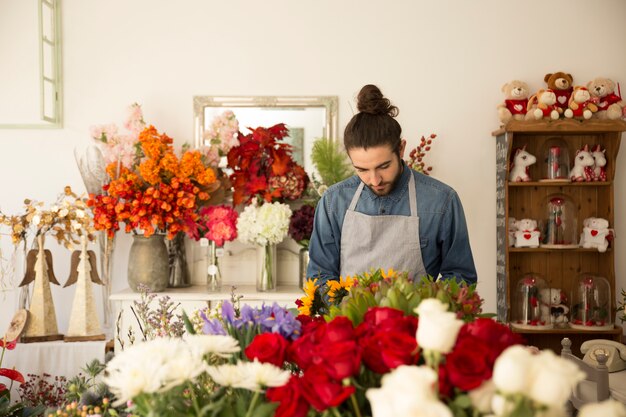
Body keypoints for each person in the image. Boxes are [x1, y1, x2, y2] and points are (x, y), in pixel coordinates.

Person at [306, 84, 477, 285]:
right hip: (350, 316)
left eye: (384, 166)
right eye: (362, 169)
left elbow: (461, 277)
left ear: (401, 148)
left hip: (416, 317)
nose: (375, 180)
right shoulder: (333, 202)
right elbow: (320, 277)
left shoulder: (442, 201)